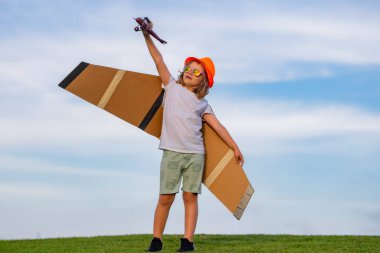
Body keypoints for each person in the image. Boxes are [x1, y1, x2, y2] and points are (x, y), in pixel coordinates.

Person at [142, 23, 244, 252]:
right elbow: (158, 60)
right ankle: (157, 239)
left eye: (197, 71)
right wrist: (147, 36)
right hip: (171, 153)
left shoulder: (203, 104)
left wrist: (235, 147)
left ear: (203, 82)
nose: (190, 71)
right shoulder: (170, 87)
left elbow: (218, 127)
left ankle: (188, 241)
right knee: (165, 198)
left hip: (195, 156)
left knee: (190, 197)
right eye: (189, 67)